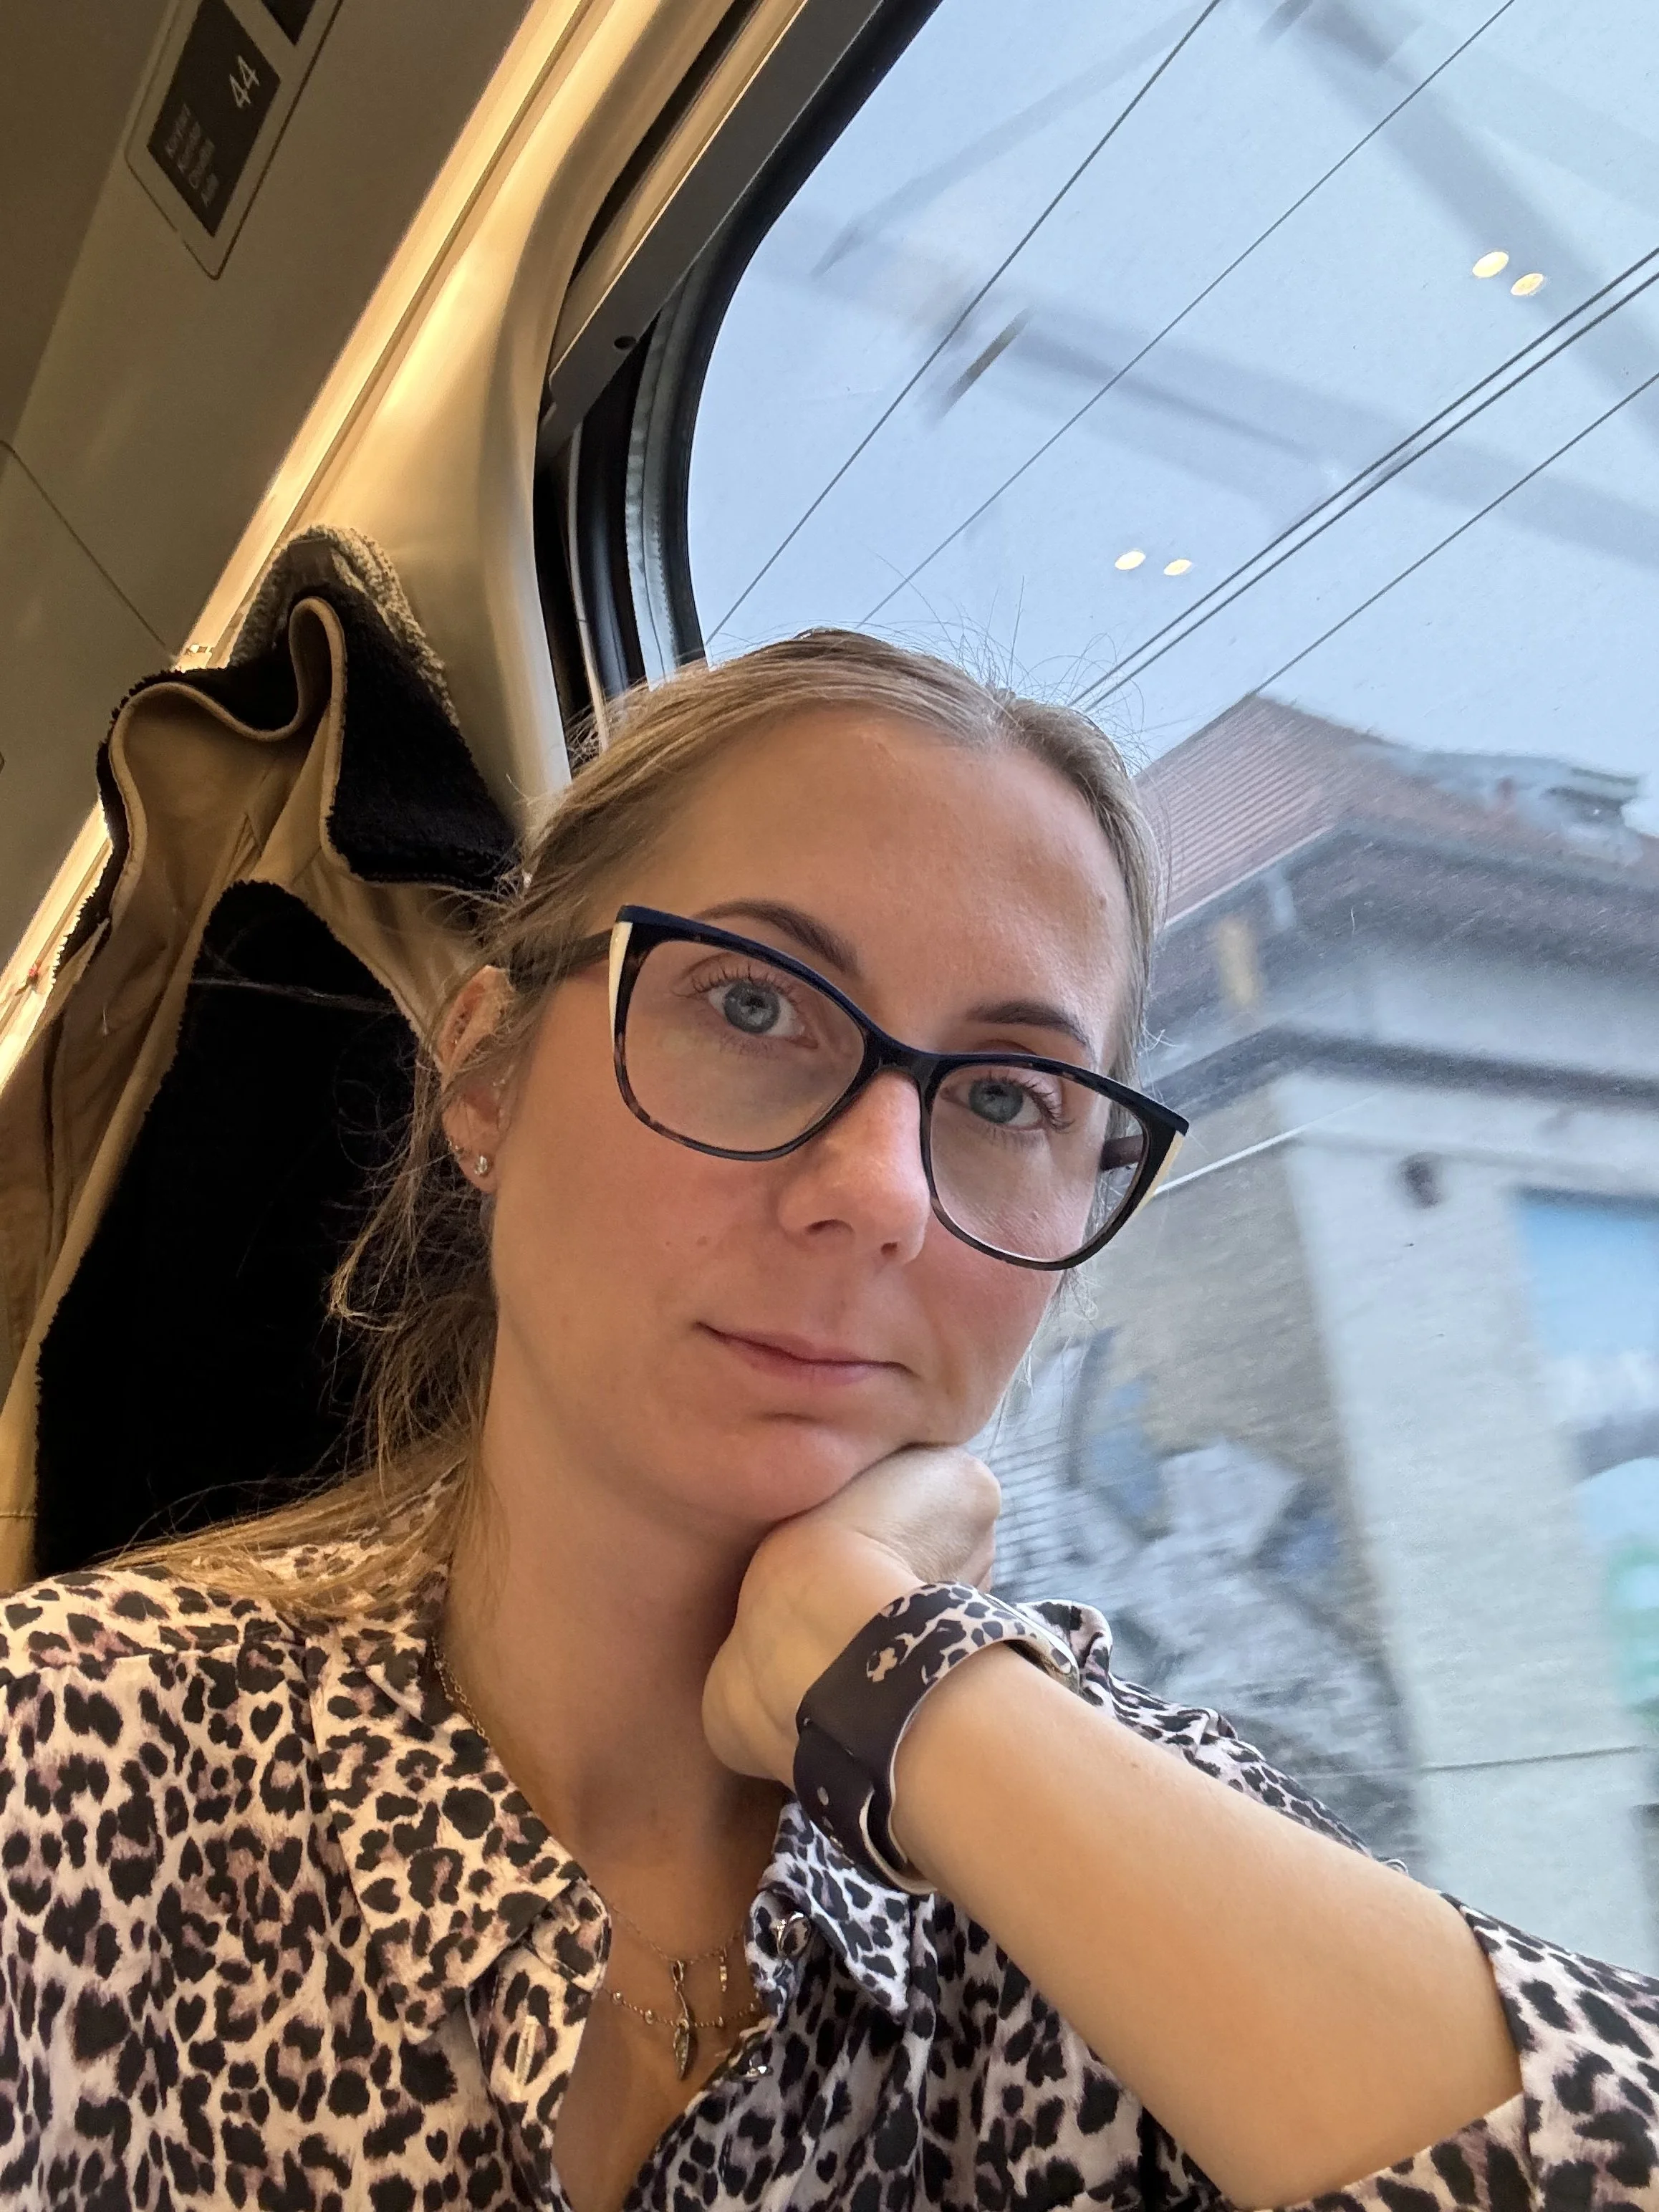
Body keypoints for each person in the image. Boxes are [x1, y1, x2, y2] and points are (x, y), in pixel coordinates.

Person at [0, 628, 1653, 2212]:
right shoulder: (75, 1762)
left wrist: (888, 1681)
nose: (880, 1190)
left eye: (1008, 1098)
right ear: (486, 1072)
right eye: (752, 1003)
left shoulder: (1096, 1827)